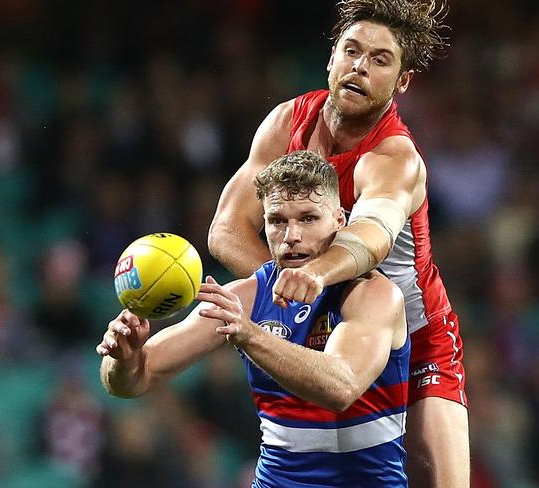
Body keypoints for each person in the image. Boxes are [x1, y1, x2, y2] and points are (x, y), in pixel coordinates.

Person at [207, 1, 469, 486]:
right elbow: (225, 229)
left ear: (403, 82)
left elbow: (370, 236)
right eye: (351, 50)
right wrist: (287, 291)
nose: (359, 67)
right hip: (326, 327)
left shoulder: (394, 157)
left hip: (417, 339)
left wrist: (313, 277)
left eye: (380, 59)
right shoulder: (287, 124)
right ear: (331, 57)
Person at [97, 151, 411, 487]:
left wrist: (251, 335)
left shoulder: (374, 295)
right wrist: (123, 359)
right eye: (277, 221)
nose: (291, 235)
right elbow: (133, 381)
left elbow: (340, 387)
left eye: (307, 219)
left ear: (339, 221)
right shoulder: (245, 297)